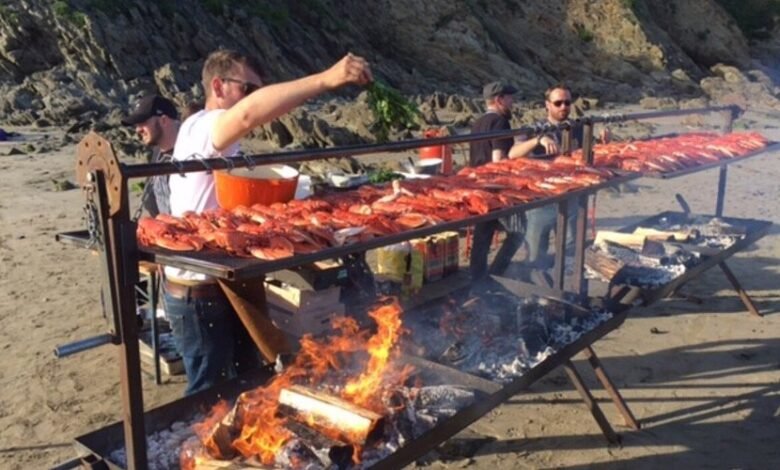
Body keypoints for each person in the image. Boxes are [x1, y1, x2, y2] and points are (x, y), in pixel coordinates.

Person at [164, 49, 372, 395]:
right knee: (207, 394)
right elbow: (248, 114)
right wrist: (325, 79)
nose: (254, 98)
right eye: (248, 89)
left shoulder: (214, 135)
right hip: (198, 288)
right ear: (218, 86)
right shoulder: (205, 126)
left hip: (224, 276)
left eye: (257, 91)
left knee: (247, 381)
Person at [508, 83, 609, 285]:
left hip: (571, 199)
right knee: (536, 252)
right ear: (547, 104)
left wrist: (603, 142)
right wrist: (537, 141)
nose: (563, 107)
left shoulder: (577, 128)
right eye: (558, 103)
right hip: (541, 202)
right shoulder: (534, 128)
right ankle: (537, 292)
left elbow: (589, 155)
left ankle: (569, 288)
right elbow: (512, 154)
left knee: (572, 249)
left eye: (567, 103)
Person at [468, 81, 525, 280]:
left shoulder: (477, 123)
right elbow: (498, 160)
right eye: (510, 98)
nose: (513, 102)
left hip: (478, 184)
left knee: (482, 235)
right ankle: (496, 273)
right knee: (518, 231)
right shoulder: (500, 122)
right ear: (499, 99)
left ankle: (477, 279)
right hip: (496, 187)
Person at [122, 94, 180, 217]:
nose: (138, 130)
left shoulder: (191, 150)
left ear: (164, 120)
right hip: (163, 226)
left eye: (143, 122)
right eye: (136, 125)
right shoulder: (158, 152)